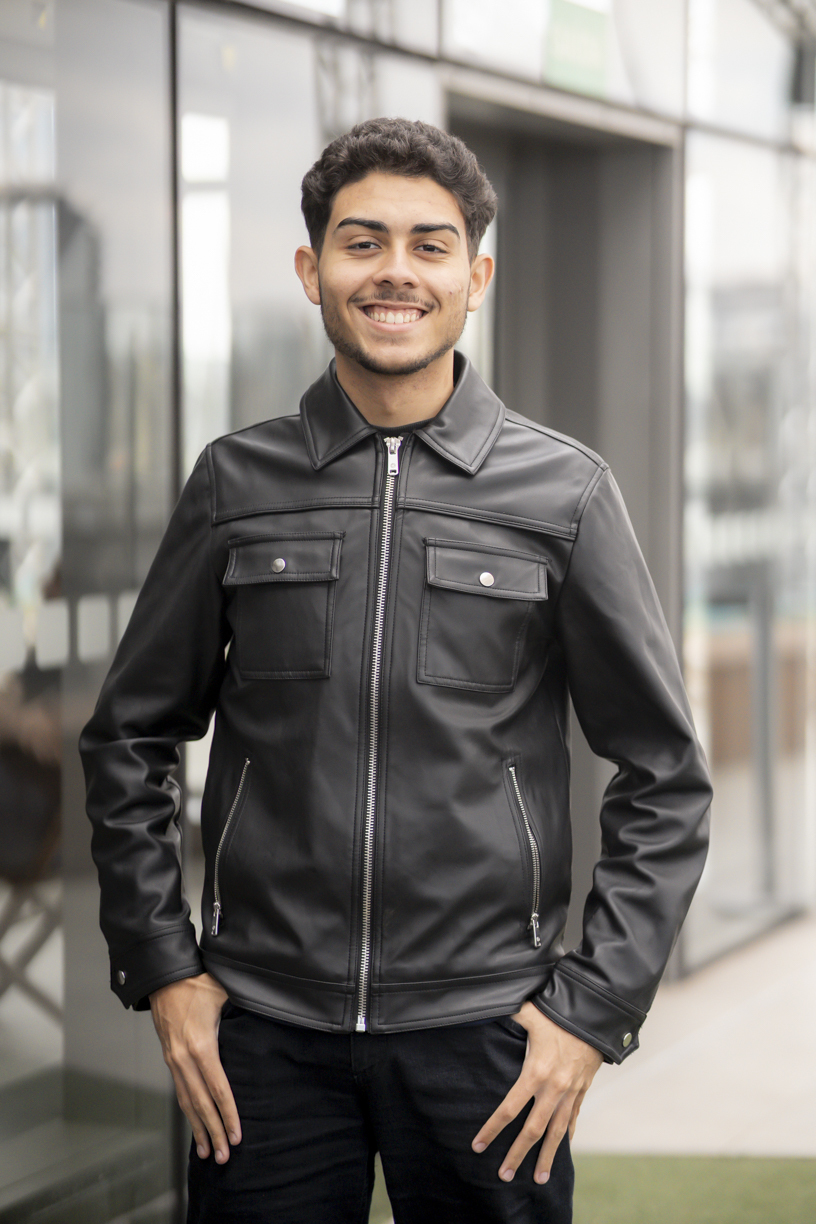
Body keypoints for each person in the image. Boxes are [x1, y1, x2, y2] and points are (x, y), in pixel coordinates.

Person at [80, 117, 712, 1223]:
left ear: (476, 278)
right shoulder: (236, 484)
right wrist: (164, 967)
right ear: (311, 269)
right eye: (362, 242)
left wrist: (592, 1011)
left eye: (430, 245)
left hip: (489, 1037)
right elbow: (129, 738)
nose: (395, 273)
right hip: (263, 1036)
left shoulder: (564, 495)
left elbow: (666, 775)